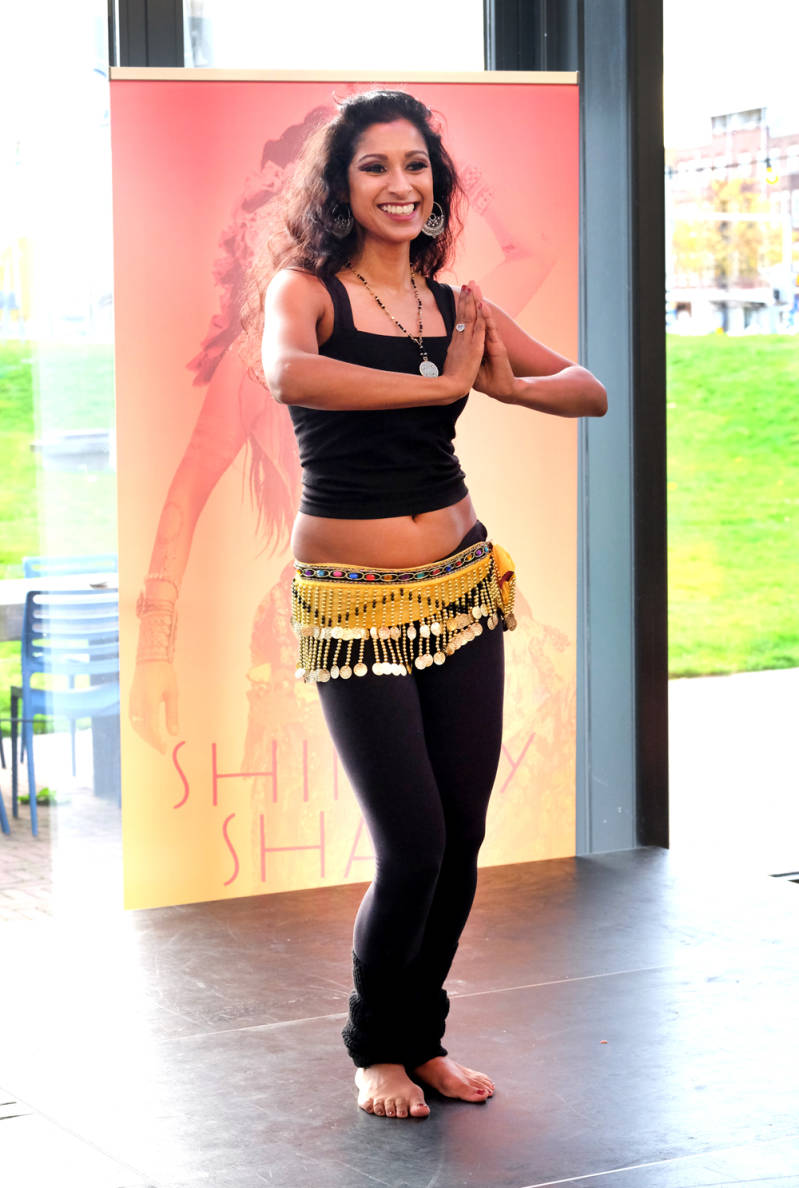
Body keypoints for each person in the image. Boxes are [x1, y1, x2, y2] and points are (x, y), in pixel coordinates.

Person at [254, 89, 607, 1120]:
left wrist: (506, 387)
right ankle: (375, 1048)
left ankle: (422, 1038)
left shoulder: (455, 308)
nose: (399, 184)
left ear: (436, 185)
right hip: (353, 602)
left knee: (459, 836)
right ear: (340, 184)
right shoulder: (306, 290)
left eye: (416, 165)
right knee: (410, 844)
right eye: (374, 166)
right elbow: (288, 376)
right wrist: (435, 386)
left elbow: (586, 386)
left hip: (459, 587)